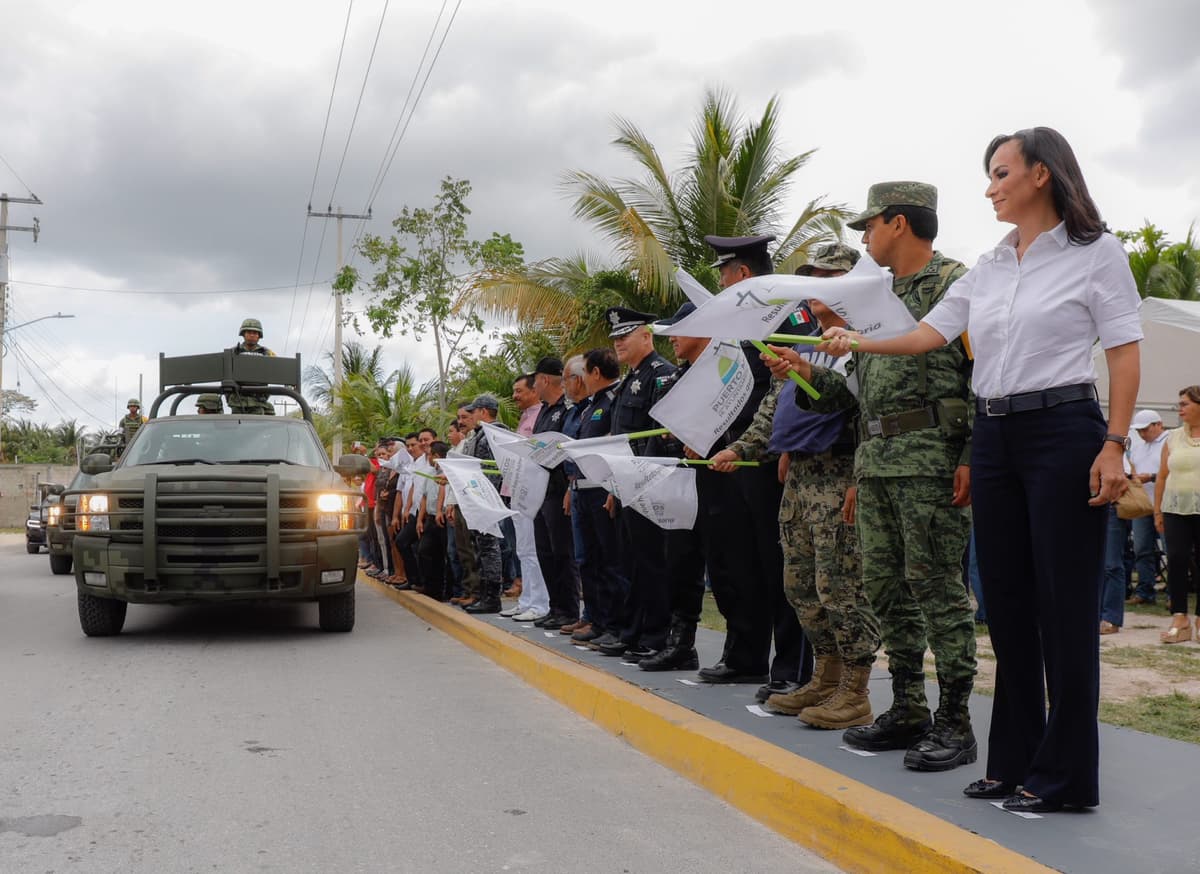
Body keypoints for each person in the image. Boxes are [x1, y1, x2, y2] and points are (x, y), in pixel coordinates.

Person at [823, 127, 1142, 812]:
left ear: (1041, 175)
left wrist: (1115, 443)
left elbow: (1123, 352)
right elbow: (927, 334)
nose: (990, 187)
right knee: (1006, 603)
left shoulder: (1096, 253)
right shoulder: (991, 266)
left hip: (1062, 429)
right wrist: (856, 341)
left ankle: (1065, 778)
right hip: (994, 434)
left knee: (1064, 608)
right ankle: (1013, 762)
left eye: (1001, 172)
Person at [792, 182, 977, 772]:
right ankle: (908, 708)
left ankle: (955, 721)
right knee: (887, 589)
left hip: (931, 461)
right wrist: (803, 371)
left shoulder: (957, 284)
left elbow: (984, 374)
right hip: (875, 463)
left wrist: (972, 454)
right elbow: (851, 395)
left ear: (899, 223)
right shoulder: (877, 297)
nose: (865, 237)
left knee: (937, 588)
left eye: (869, 225)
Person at [714, 242, 880, 727]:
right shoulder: (805, 340)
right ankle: (825, 678)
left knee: (841, 587)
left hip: (843, 471)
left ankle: (855, 691)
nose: (816, 287)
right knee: (802, 586)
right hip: (802, 477)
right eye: (812, 278)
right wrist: (742, 449)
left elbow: (872, 411)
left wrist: (861, 476)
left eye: (829, 277)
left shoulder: (870, 341)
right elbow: (774, 407)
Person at [685, 235, 812, 694]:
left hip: (770, 456)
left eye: (724, 275)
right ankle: (745, 655)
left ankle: (792, 667)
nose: (721, 284)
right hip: (735, 453)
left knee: (778, 564)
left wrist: (785, 447)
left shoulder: (786, 312)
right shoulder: (738, 322)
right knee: (739, 562)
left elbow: (794, 385)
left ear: (742, 273)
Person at [593, 307, 682, 661]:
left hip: (649, 483)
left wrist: (639, 481)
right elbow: (620, 439)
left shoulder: (662, 375)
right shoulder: (629, 380)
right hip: (627, 484)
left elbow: (659, 436)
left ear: (647, 336)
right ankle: (633, 632)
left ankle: (655, 635)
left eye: (625, 336)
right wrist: (616, 487)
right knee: (631, 563)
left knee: (652, 563)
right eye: (615, 337)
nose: (618, 343)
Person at [569, 348, 631, 646]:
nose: (582, 379)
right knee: (588, 559)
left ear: (595, 372)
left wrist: (613, 489)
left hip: (602, 489)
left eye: (584, 372)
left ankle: (616, 623)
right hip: (582, 488)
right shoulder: (590, 405)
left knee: (611, 560)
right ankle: (596, 619)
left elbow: (617, 449)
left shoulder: (614, 400)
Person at [531, 356, 583, 630]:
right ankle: (555, 607)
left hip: (560, 486)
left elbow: (568, 449)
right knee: (545, 551)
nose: (533, 386)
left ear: (544, 379)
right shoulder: (543, 411)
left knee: (563, 551)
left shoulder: (566, 409)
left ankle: (569, 610)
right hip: (541, 489)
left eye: (535, 380)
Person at [503, 374, 551, 623]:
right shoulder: (525, 417)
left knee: (533, 550)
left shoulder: (541, 415)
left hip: (531, 492)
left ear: (534, 390)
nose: (514, 396)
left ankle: (540, 604)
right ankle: (527, 601)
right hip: (516, 490)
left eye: (519, 391)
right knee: (522, 550)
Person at [1154, 386, 1200, 644]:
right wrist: (1157, 511)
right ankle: (1180, 618)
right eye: (1179, 404)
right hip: (1174, 509)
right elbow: (1162, 476)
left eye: (1185, 404)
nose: (1179, 409)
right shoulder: (1172, 437)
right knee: (1176, 559)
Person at [1127, 409, 1169, 605]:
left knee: (1171, 550)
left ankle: (1173, 594)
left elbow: (1173, 471)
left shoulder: (1169, 442)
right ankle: (1145, 591)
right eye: (1139, 430)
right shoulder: (1138, 447)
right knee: (1141, 549)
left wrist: (1151, 477)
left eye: (1145, 429)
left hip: (1166, 504)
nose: (1142, 434)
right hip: (1143, 504)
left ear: (1158, 424)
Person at [229, 318, 276, 414]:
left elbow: (279, 369)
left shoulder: (267, 353)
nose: (252, 335)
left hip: (258, 400)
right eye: (249, 332)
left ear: (259, 336)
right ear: (243, 334)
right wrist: (229, 396)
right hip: (238, 399)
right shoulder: (233, 352)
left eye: (255, 333)